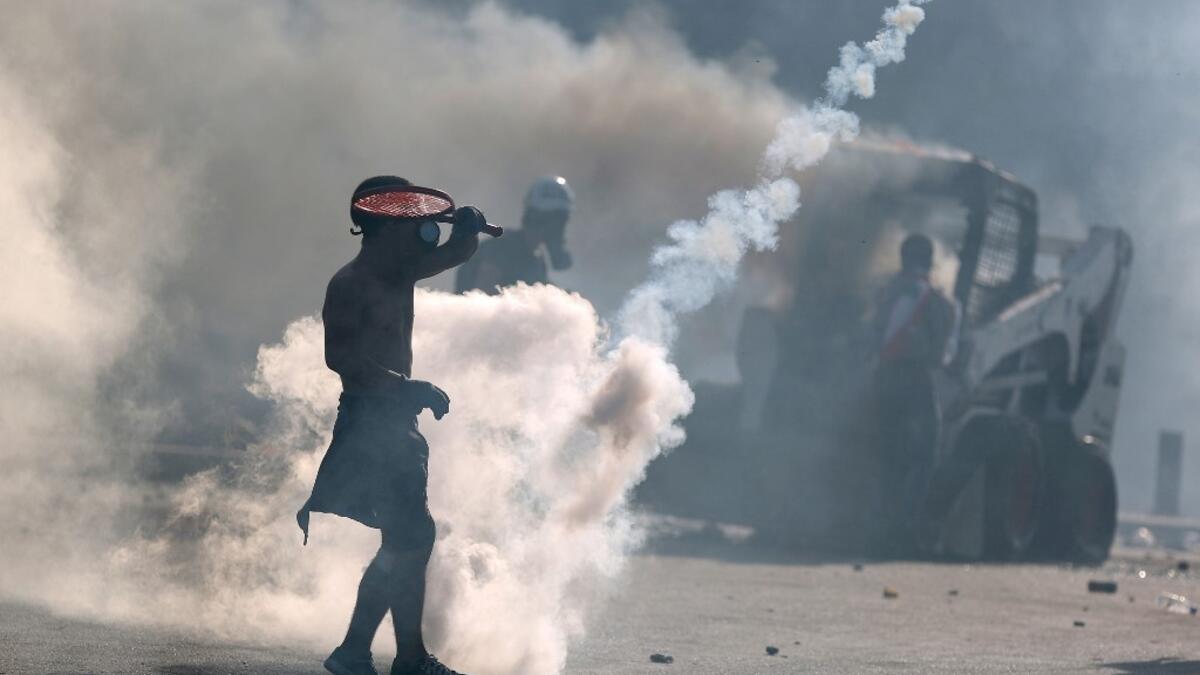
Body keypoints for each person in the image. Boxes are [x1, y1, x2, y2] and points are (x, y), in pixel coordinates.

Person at [298, 176, 482, 675]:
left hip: (394, 423)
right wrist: (406, 387)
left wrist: (467, 230)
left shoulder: (399, 273)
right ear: (380, 226)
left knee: (404, 539)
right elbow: (342, 360)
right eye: (410, 219)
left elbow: (454, 255)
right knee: (412, 535)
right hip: (369, 422)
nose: (423, 228)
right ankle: (405, 659)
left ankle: (360, 653)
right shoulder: (352, 284)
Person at [869, 233, 959, 555]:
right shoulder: (935, 299)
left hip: (882, 379)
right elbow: (941, 354)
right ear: (930, 260)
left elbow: (872, 332)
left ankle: (877, 527)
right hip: (915, 381)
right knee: (923, 454)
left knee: (886, 455)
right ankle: (904, 531)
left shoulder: (886, 292)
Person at [454, 175, 573, 293]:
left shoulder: (537, 258)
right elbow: (480, 295)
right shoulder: (502, 248)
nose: (560, 230)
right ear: (543, 220)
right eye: (559, 222)